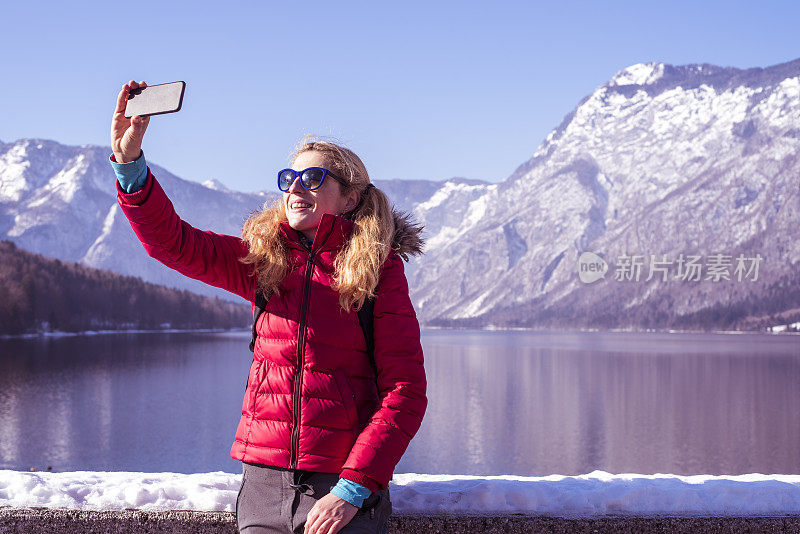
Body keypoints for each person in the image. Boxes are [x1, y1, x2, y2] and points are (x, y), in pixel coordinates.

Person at [109, 80, 428, 534]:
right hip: (263, 483)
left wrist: (354, 488)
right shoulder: (265, 262)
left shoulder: (379, 271)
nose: (296, 187)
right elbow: (173, 242)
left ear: (351, 197)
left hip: (340, 490)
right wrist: (129, 163)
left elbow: (405, 391)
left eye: (313, 178)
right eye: (289, 178)